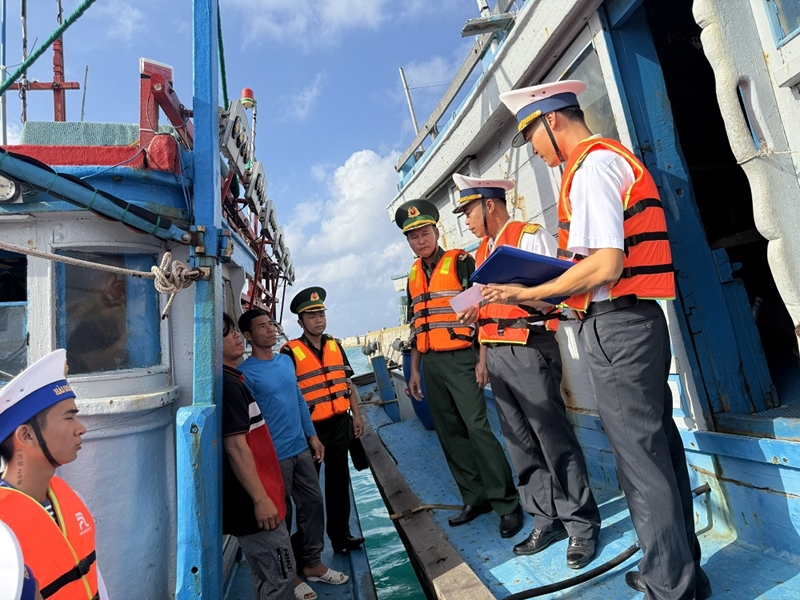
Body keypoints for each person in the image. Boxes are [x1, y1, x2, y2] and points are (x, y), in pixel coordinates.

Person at [492, 80, 711, 598]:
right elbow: (599, 269)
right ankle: (682, 574)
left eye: (532, 138)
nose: (535, 152)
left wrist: (531, 291)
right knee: (659, 452)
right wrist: (552, 296)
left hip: (616, 329)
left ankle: (669, 587)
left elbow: (606, 265)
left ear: (552, 120)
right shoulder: (610, 159)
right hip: (634, 323)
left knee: (640, 464)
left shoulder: (589, 167)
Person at [452, 174, 601, 568]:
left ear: (489, 204)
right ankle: (545, 518)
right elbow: (488, 306)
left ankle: (581, 524)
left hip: (529, 348)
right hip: (498, 355)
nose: (466, 221)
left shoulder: (529, 237)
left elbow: (558, 293)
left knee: (553, 439)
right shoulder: (482, 252)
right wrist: (478, 331)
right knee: (520, 444)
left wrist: (518, 294)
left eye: (468, 211)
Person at [394, 200, 523, 538]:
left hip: (462, 357)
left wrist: (482, 359)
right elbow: (418, 325)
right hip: (431, 363)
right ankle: (475, 498)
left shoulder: (461, 263)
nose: (420, 240)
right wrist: (415, 371)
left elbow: (482, 310)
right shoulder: (413, 276)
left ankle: (506, 503)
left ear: (436, 232)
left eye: (425, 233)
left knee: (477, 428)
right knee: (449, 433)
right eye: (413, 236)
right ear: (408, 242)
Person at [238, 308, 349, 591]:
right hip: (274, 456)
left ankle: (312, 563)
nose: (270, 330)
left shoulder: (286, 362)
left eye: (271, 324)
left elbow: (299, 399)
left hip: (300, 447)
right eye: (262, 327)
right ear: (248, 336)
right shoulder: (245, 374)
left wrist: (312, 436)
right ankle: (291, 575)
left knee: (313, 504)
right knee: (281, 516)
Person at [0, 349, 109, 600]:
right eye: (69, 418)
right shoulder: (2, 529)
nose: (81, 429)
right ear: (26, 435)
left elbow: (94, 581)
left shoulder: (71, 498)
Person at [280, 288, 365, 554]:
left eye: (321, 314)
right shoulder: (290, 352)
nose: (318, 320)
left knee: (339, 481)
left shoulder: (335, 345)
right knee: (308, 490)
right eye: (312, 316)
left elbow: (347, 383)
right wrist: (306, 433)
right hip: (311, 429)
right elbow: (288, 395)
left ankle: (341, 536)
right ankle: (306, 545)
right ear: (300, 322)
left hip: (340, 423)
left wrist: (357, 416)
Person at [220, 313, 294, 600]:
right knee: (282, 577)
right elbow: (236, 448)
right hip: (256, 506)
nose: (236, 335)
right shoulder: (229, 386)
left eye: (234, 330)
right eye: (226, 332)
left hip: (259, 498)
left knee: (265, 576)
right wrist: (261, 501)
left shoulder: (233, 380)